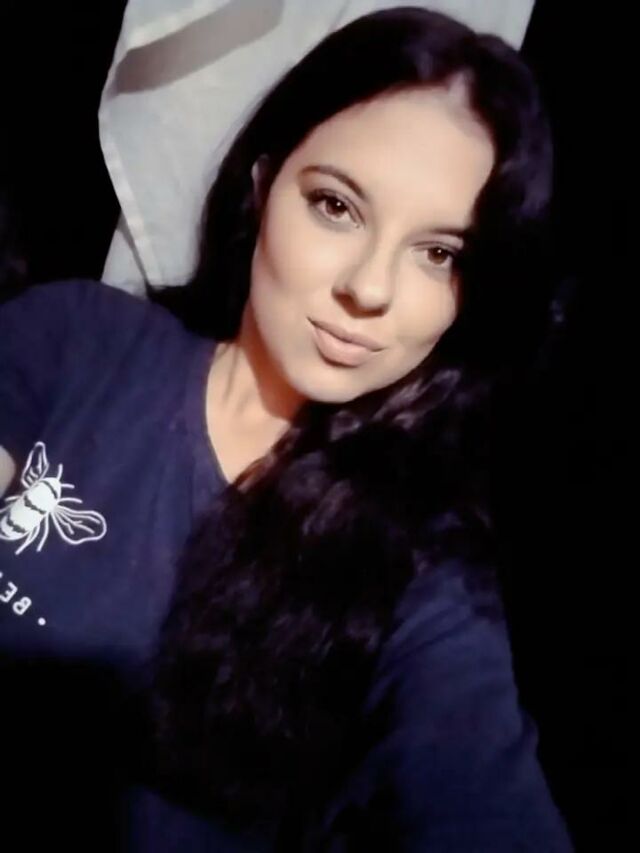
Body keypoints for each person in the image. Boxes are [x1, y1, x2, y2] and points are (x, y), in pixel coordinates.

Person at [0, 6, 573, 851]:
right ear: (263, 186)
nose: (370, 288)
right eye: (337, 206)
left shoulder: (423, 572)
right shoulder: (82, 341)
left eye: (439, 253)